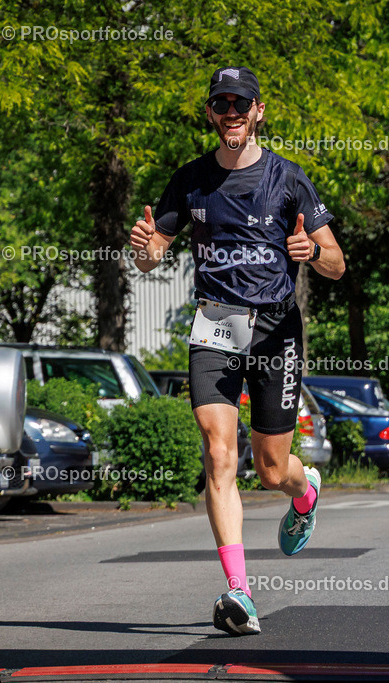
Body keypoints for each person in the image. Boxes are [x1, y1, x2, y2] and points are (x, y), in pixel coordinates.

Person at [129, 66, 346, 635]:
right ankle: (239, 594)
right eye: (221, 104)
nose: (232, 112)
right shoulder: (191, 180)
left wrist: (308, 251)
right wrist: (146, 251)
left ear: (258, 111)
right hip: (216, 325)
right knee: (219, 455)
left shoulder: (288, 180)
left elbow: (337, 263)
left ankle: (305, 489)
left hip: (276, 329)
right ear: (210, 113)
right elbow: (153, 254)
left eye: (240, 104)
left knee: (273, 471)